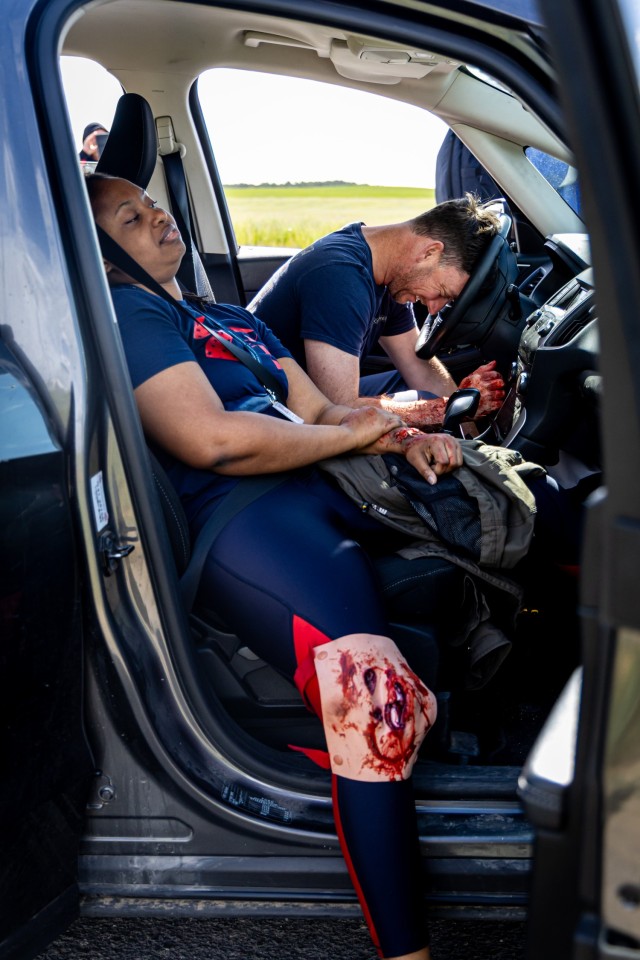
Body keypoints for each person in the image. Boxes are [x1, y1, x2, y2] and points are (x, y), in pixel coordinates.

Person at [87, 172, 468, 960]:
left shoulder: (225, 317)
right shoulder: (129, 316)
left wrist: (405, 440)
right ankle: (407, 950)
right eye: (132, 215)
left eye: (153, 201)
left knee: (524, 521)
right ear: (102, 250)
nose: (158, 215)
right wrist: (357, 440)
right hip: (245, 517)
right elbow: (214, 441)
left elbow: (326, 411)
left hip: (326, 487)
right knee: (374, 698)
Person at [248, 195, 506, 430]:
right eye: (441, 291)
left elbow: (419, 369)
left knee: (414, 387)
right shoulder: (340, 276)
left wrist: (467, 421)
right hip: (264, 407)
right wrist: (448, 410)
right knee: (423, 402)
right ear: (429, 253)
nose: (435, 307)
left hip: (307, 395)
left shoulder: (387, 274)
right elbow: (339, 408)